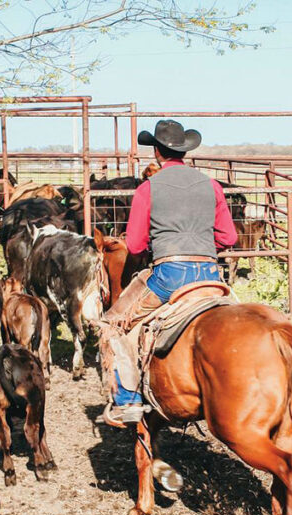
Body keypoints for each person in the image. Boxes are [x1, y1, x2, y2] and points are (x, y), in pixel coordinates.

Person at [98, 119, 238, 427]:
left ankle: (127, 401)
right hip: (210, 276)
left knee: (114, 325)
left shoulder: (149, 188)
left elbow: (134, 244)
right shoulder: (211, 185)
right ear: (184, 151)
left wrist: (163, 241)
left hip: (169, 275)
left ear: (157, 152)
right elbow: (229, 238)